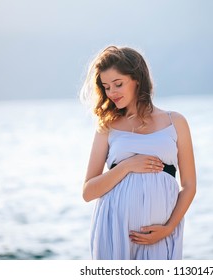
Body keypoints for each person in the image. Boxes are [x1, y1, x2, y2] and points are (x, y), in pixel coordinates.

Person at [80, 45, 196, 260]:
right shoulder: (107, 126)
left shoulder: (176, 122)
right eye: (106, 87)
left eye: (118, 84)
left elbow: (189, 185)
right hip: (113, 230)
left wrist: (169, 227)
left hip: (159, 233)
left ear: (137, 80)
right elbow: (88, 192)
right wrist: (127, 166)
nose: (112, 92)